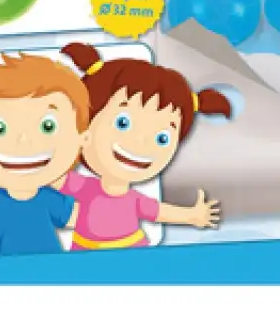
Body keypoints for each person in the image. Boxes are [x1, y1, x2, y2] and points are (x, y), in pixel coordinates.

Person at [56, 43, 226, 249]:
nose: (141, 144)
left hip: (134, 251)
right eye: (122, 123)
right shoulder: (83, 187)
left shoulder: (134, 200)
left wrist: (192, 216)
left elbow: (159, 211)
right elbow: (49, 175)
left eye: (162, 138)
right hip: (87, 253)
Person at [0, 54, 90, 257]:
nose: (24, 141)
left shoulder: (48, 198)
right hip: (10, 271)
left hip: (52, 268)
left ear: (81, 139)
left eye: (48, 126)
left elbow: (80, 217)